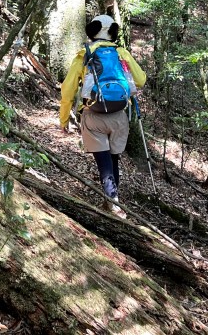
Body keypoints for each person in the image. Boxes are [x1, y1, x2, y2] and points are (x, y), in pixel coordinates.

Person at [59, 14, 146, 216]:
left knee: (104, 162)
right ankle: (112, 201)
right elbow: (141, 80)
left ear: (93, 31)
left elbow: (68, 90)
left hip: (94, 115)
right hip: (119, 116)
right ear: (113, 32)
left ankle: (113, 203)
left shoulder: (84, 54)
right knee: (113, 160)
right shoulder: (121, 53)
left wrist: (64, 119)